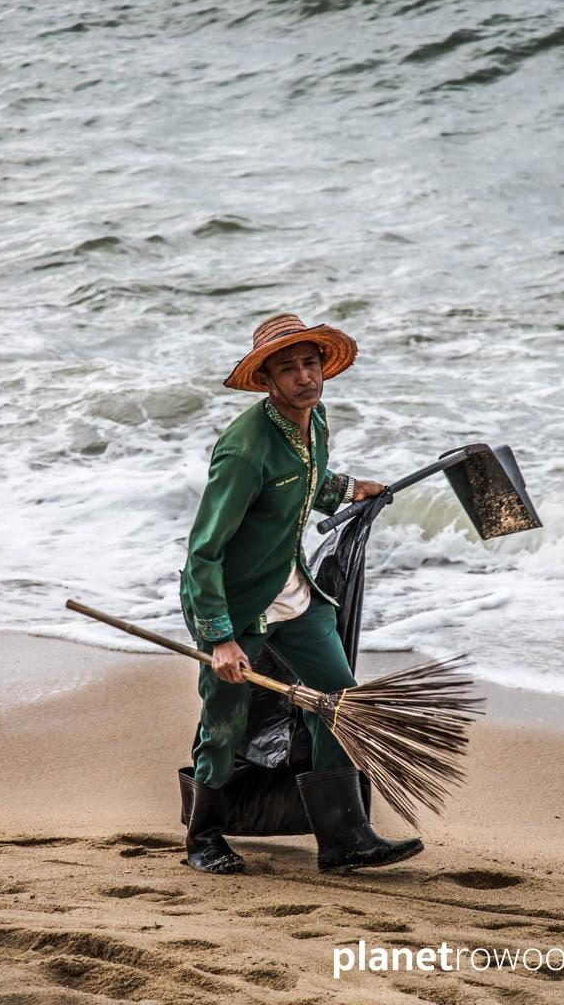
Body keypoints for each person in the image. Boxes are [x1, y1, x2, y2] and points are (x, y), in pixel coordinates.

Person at [179, 312, 423, 875]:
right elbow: (203, 551)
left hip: (294, 595)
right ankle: (203, 839)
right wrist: (218, 638)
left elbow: (303, 483)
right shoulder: (244, 450)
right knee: (225, 721)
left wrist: (346, 489)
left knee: (339, 704)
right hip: (235, 605)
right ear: (266, 380)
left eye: (310, 363)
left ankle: (344, 841)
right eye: (287, 368)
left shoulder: (313, 423)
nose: (304, 376)